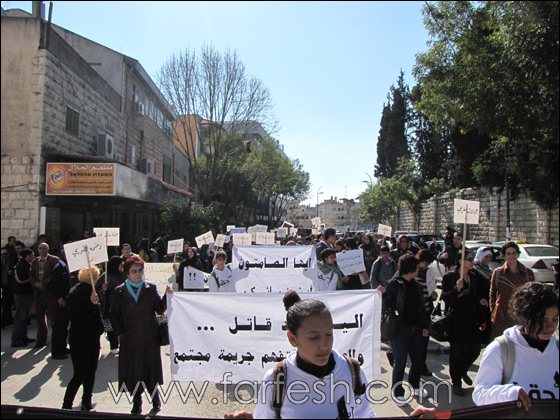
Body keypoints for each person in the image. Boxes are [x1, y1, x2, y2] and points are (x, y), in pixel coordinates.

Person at [247, 290, 435, 419]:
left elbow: (364, 414)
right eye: (313, 337)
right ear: (292, 339)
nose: (324, 345)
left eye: (329, 334)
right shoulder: (276, 380)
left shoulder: (352, 371)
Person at [473, 282, 559, 409]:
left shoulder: (557, 350)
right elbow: (480, 395)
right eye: (542, 320)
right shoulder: (501, 349)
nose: (550, 326)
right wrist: (509, 393)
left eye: (555, 319)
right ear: (524, 318)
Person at [110, 256, 173, 415]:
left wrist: (166, 296)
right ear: (127, 273)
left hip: (149, 336)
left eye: (140, 270)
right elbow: (114, 315)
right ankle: (137, 401)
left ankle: (155, 398)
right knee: (134, 370)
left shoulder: (150, 289)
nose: (138, 274)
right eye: (134, 271)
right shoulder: (120, 291)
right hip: (130, 337)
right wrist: (119, 334)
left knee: (150, 368)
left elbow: (159, 309)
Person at [383, 255, 430, 406]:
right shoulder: (393, 284)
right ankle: (398, 392)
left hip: (416, 329)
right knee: (400, 362)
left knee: (417, 360)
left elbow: (422, 309)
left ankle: (415, 385)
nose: (419, 269)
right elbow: (385, 305)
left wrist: (424, 326)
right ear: (410, 269)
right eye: (417, 267)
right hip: (399, 330)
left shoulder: (417, 285)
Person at [441, 250, 487, 396]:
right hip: (456, 320)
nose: (472, 262)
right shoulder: (450, 276)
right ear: (461, 261)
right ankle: (456, 382)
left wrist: (481, 319)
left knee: (474, 350)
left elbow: (476, 299)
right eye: (469, 259)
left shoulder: (473, 276)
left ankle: (463, 370)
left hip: (471, 319)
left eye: (472, 259)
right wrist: (456, 289)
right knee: (457, 353)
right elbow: (445, 297)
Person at [62, 266, 104, 412]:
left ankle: (85, 401)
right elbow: (81, 317)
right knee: (82, 373)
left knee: (88, 371)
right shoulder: (80, 293)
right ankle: (68, 404)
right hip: (82, 337)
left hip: (88, 336)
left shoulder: (85, 290)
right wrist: (92, 305)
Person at [489, 241, 535, 342]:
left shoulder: (527, 273)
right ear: (504, 256)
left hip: (520, 317)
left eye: (514, 253)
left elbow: (532, 295)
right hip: (501, 317)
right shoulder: (498, 273)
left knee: (520, 343)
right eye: (508, 254)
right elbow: (492, 293)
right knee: (500, 344)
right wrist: (493, 310)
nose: (511, 256)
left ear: (518, 254)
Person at [29, 242, 60, 348]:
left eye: (44, 248)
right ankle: (41, 340)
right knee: (40, 318)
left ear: (48, 249)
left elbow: (54, 274)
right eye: (40, 248)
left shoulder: (54, 260)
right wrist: (36, 283)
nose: (42, 250)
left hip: (50, 292)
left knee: (54, 317)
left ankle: (56, 339)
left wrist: (44, 283)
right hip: (38, 293)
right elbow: (31, 275)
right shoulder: (35, 261)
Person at [415, 249, 438, 377]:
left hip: (427, 311)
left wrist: (433, 295)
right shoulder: (412, 271)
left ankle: (421, 366)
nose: (426, 266)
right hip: (416, 313)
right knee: (414, 342)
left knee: (423, 343)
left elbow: (431, 290)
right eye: (425, 263)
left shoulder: (428, 273)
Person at [11, 249, 35, 347]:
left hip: (26, 293)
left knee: (25, 316)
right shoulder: (20, 265)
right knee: (20, 316)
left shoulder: (27, 264)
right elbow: (20, 280)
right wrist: (32, 280)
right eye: (32, 255)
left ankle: (23, 336)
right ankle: (16, 339)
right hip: (21, 294)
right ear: (27, 256)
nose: (33, 257)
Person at [101, 256, 125, 352]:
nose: (122, 266)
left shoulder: (123, 275)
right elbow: (97, 291)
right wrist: (103, 289)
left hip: (122, 305)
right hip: (109, 305)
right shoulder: (105, 276)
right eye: (120, 264)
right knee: (110, 326)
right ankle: (113, 345)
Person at [472, 247, 493, 344]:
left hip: (487, 303)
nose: (488, 259)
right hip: (478, 304)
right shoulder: (474, 271)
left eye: (489, 257)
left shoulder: (488, 271)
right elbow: (474, 288)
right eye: (485, 257)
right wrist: (479, 299)